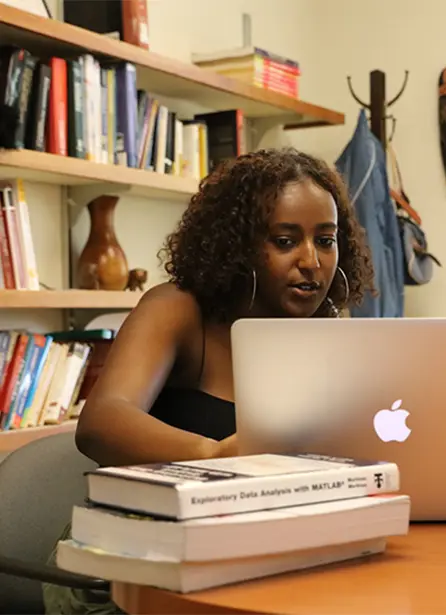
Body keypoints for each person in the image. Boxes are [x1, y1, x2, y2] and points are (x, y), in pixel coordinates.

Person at [41, 147, 375, 614]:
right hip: (124, 564)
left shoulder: (324, 334)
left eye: (325, 240)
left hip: (246, 554)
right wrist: (216, 455)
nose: (311, 261)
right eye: (284, 241)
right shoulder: (179, 309)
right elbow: (101, 422)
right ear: (238, 245)